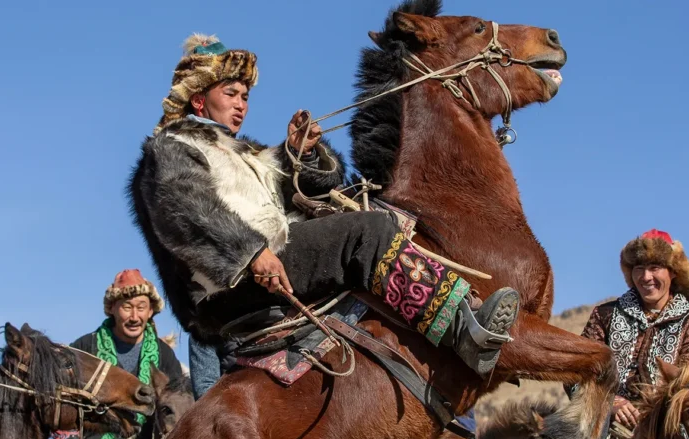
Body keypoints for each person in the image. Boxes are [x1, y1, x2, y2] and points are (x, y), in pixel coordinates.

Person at [127, 33, 523, 380]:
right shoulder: (172, 147)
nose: (241, 104)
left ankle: (454, 315)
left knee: (383, 216)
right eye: (230, 93)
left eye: (245, 96)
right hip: (229, 286)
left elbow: (312, 188)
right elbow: (188, 213)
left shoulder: (245, 154)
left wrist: (302, 152)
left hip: (269, 261)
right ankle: (461, 330)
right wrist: (251, 253)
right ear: (199, 100)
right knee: (368, 232)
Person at [577, 229, 689, 439]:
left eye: (654, 268)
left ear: (673, 272)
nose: (646, 277)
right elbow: (576, 372)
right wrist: (609, 403)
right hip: (597, 433)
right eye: (639, 268)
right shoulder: (605, 315)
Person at [52, 269, 184, 439]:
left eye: (141, 308)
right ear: (112, 308)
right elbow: (59, 399)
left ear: (150, 311)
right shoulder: (84, 348)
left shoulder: (165, 354)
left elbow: (179, 406)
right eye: (127, 307)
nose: (134, 317)